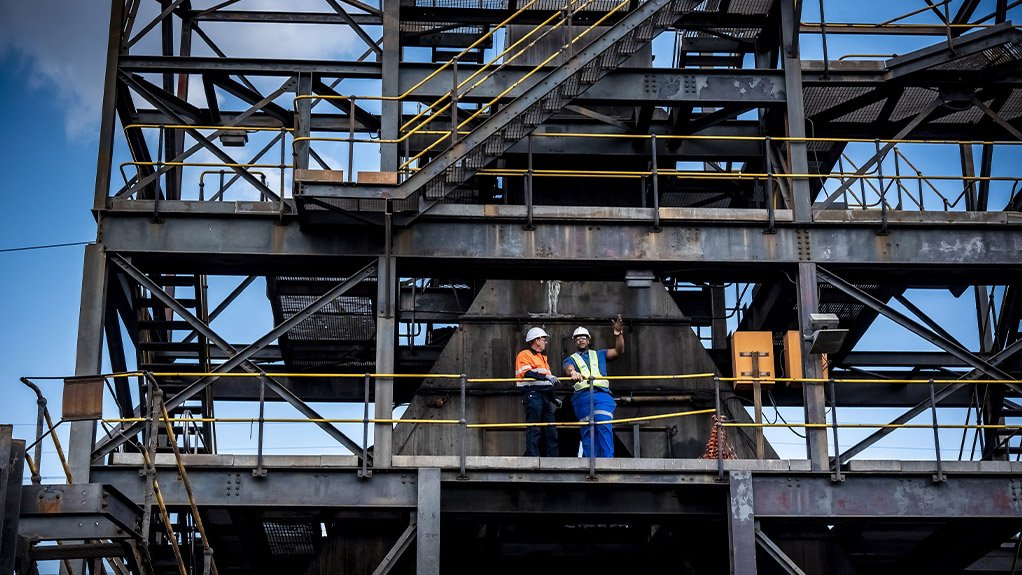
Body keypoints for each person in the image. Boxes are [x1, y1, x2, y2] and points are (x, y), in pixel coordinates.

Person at [563, 315, 624, 458]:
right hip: (582, 397)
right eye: (578, 337)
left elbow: (619, 351)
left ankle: (607, 462)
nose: (581, 339)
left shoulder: (599, 354)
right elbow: (568, 368)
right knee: (587, 431)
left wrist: (619, 334)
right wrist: (573, 373)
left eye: (583, 337)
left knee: (603, 426)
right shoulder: (571, 359)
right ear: (574, 341)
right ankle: (589, 463)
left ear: (588, 340)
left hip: (601, 395)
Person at [515, 327, 561, 456]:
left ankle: (553, 459)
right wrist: (547, 376)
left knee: (551, 430)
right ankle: (533, 458)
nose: (546, 342)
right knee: (534, 427)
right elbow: (527, 373)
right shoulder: (524, 355)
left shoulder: (542, 359)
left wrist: (554, 399)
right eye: (544, 339)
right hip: (532, 394)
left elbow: (546, 384)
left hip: (545, 397)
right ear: (536, 340)